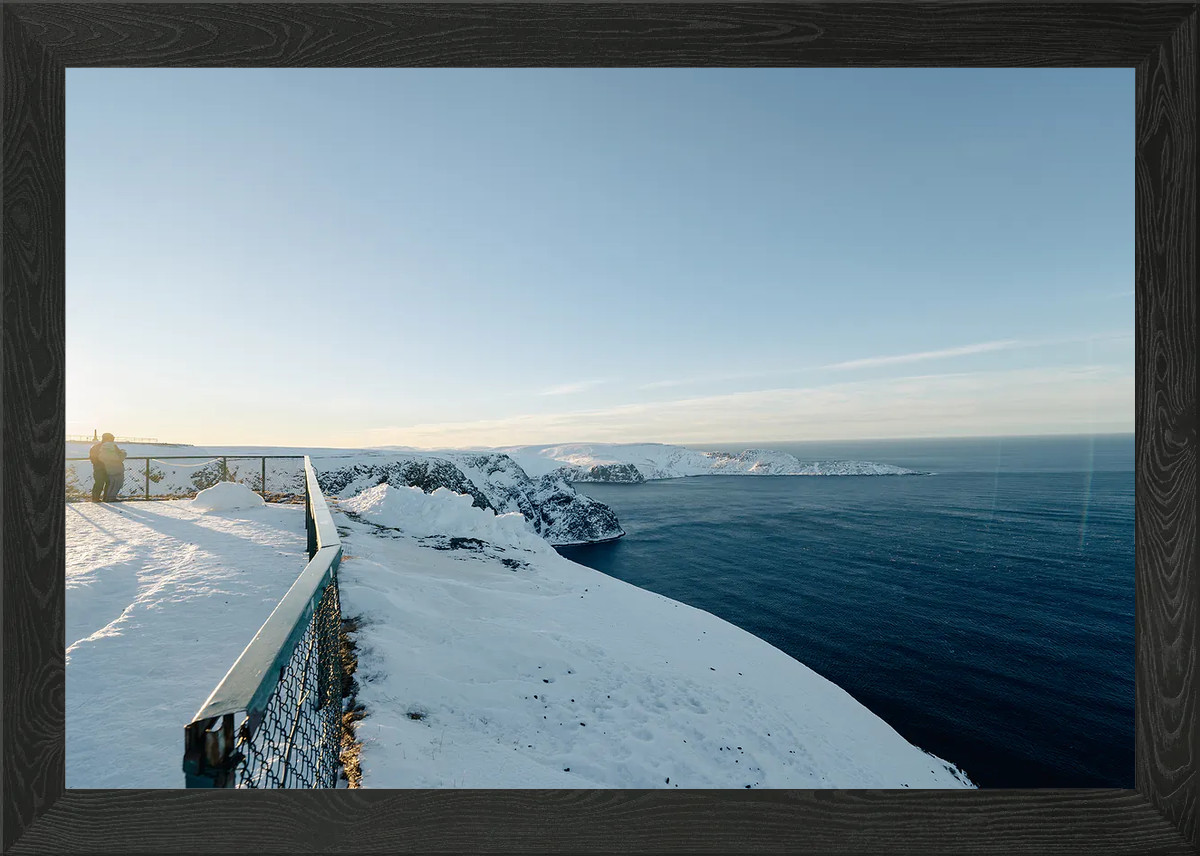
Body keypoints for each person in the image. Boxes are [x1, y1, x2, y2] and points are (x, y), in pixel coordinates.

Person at [96, 433, 127, 502]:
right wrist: (123, 453)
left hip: (108, 468)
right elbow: (120, 457)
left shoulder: (102, 449)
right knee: (117, 484)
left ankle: (108, 497)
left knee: (111, 484)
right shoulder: (113, 447)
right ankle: (111, 498)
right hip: (117, 468)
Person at [88, 437, 108, 502]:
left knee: (99, 482)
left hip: (98, 467)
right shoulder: (107, 447)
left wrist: (96, 463)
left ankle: (95, 498)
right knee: (106, 483)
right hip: (105, 467)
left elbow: (92, 457)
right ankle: (105, 497)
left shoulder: (95, 447)